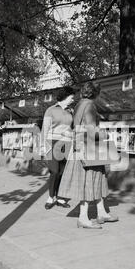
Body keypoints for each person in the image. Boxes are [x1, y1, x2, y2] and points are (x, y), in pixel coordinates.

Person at [58, 82, 118, 229]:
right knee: (89, 181)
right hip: (88, 148)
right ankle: (83, 218)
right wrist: (105, 134)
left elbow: (75, 127)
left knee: (96, 179)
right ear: (95, 93)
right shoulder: (90, 105)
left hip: (80, 146)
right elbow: (91, 131)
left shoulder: (79, 105)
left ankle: (102, 212)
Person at [40, 86, 76, 210]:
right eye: (72, 97)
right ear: (65, 96)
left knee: (62, 172)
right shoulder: (51, 110)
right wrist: (43, 147)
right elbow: (45, 129)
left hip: (67, 144)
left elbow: (73, 128)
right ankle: (51, 197)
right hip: (52, 143)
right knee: (54, 171)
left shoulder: (71, 111)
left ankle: (60, 197)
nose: (73, 99)